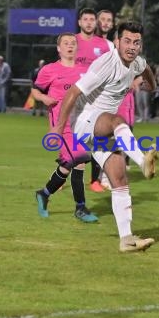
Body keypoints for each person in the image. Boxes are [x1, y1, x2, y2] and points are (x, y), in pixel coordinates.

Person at [51, 21, 159, 252]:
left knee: (119, 179)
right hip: (84, 119)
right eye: (127, 41)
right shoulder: (106, 63)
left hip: (100, 126)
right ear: (117, 42)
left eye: (136, 42)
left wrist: (152, 85)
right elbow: (73, 92)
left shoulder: (136, 61)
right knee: (118, 121)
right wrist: (59, 127)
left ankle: (126, 240)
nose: (131, 46)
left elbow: (146, 68)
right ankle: (142, 161)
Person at [32, 33, 98, 223]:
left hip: (81, 122)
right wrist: (44, 98)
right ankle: (80, 208)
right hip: (61, 124)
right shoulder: (49, 69)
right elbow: (35, 90)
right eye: (66, 43)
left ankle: (44, 193)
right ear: (59, 48)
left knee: (67, 166)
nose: (70, 46)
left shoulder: (85, 70)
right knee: (80, 159)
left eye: (73, 43)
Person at [78, 8, 115, 193]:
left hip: (99, 99)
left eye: (93, 19)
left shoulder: (108, 45)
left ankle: (96, 179)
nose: (90, 23)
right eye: (86, 19)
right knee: (75, 138)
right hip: (78, 98)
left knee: (99, 138)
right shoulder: (74, 41)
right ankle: (63, 175)